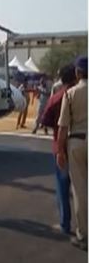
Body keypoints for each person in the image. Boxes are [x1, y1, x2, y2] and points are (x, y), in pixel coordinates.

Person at [41, 64, 76, 235]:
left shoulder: (57, 98)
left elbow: (45, 119)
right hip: (81, 144)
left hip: (61, 147)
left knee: (63, 187)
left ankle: (65, 223)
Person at [57, 56, 88, 250]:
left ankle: (83, 234)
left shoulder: (70, 94)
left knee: (79, 190)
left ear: (77, 73)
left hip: (76, 141)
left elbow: (62, 127)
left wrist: (60, 151)